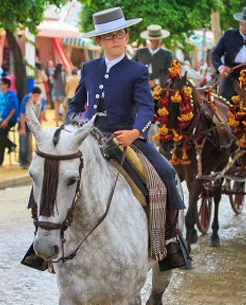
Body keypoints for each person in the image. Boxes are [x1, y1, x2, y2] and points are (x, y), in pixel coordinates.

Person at [64, 7, 187, 270]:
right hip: (90, 135)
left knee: (166, 174)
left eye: (119, 35)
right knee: (50, 168)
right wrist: (72, 127)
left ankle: (170, 239)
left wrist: (135, 132)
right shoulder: (88, 68)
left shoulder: (137, 70)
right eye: (108, 37)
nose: (114, 40)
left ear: (127, 37)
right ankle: (41, 237)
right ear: (99, 42)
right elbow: (74, 105)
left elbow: (146, 108)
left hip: (126, 136)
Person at [211, 5, 246, 101]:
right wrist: (221, 68)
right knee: (222, 99)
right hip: (231, 73)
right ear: (241, 23)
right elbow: (215, 54)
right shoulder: (229, 35)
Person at [0, 77, 19, 167]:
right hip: (3, 119)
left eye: (1, 84)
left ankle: (11, 145)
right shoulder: (3, 95)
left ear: (6, 85)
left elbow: (14, 108)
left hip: (9, 120)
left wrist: (7, 120)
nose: (0, 86)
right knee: (1, 139)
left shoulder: (11, 94)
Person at [19, 86, 45, 169]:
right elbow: (22, 113)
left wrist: (39, 126)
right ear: (32, 95)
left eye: (37, 96)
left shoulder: (42, 99)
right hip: (25, 121)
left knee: (40, 141)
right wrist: (22, 128)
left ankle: (39, 161)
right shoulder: (27, 99)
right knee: (23, 140)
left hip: (35, 122)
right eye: (34, 95)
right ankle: (25, 162)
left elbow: (42, 112)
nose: (35, 97)